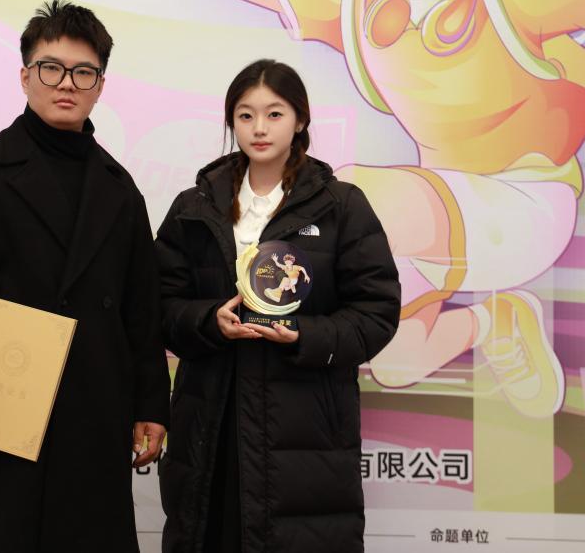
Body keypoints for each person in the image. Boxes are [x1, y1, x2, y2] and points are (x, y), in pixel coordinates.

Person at [119, 0, 585, 418]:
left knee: (345, 196)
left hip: (526, 205)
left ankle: (259, 299)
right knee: (395, 355)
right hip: (433, 221)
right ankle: (496, 321)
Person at [0, 0, 170, 552]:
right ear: (25, 76)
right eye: (51, 68)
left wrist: (151, 404)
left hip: (94, 409)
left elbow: (141, 310)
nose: (67, 83)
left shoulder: (120, 189)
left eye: (84, 72)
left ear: (100, 86)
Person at [154, 59, 401, 553]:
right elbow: (159, 304)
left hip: (303, 430)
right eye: (245, 116)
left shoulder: (341, 206)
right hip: (211, 422)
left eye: (274, 114)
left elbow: (376, 311)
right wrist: (208, 321)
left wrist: (304, 335)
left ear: (300, 120)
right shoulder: (193, 207)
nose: (259, 128)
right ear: (231, 122)